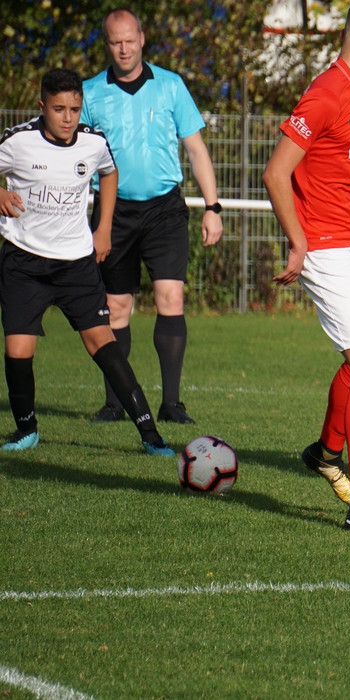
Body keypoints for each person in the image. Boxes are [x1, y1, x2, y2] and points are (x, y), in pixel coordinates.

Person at [262, 0, 350, 533]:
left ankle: (325, 453)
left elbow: (349, 182)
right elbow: (276, 174)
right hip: (324, 251)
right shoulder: (325, 94)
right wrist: (298, 244)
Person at [0, 68, 173, 456]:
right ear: (42, 106)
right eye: (58, 109)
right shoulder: (18, 142)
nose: (67, 118)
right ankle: (26, 430)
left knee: (103, 343)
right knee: (18, 350)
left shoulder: (93, 143)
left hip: (76, 264)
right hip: (24, 263)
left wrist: (104, 227)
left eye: (74, 110)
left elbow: (109, 172)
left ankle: (151, 436)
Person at [81, 8, 223, 426]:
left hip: (165, 209)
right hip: (114, 212)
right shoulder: (90, 93)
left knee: (171, 298)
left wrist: (212, 207)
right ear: (107, 44)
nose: (124, 49)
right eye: (115, 42)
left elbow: (196, 150)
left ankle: (172, 404)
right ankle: (115, 403)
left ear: (142, 39)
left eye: (130, 40)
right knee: (116, 306)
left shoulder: (171, 85)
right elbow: (76, 158)